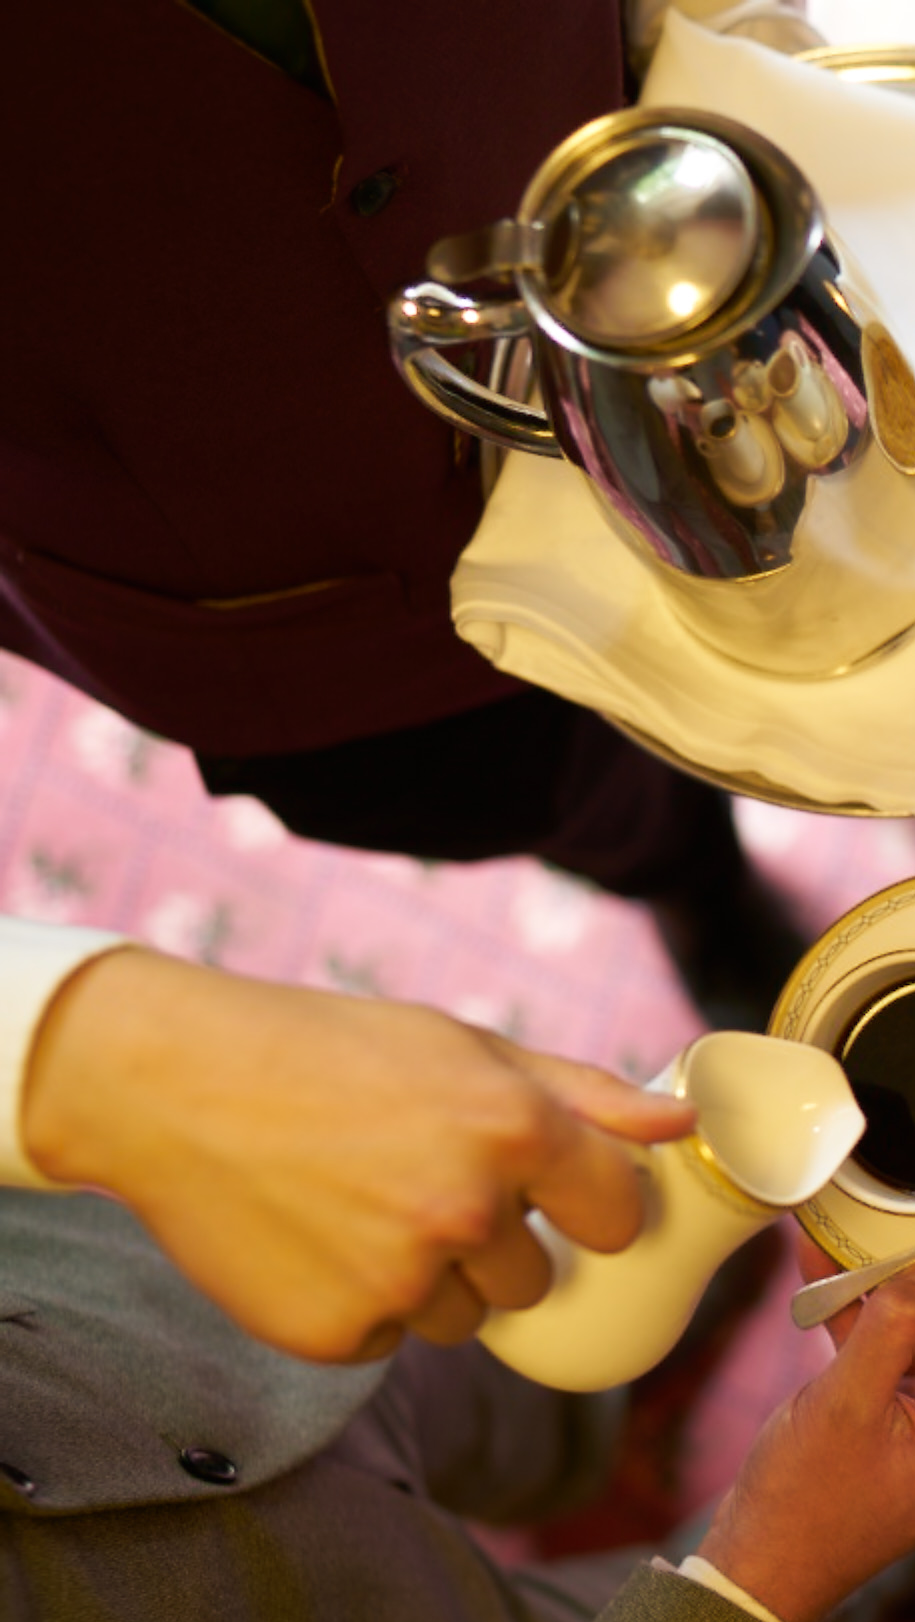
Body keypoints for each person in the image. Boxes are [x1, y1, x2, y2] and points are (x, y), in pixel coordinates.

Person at [0, 916, 915, 1622]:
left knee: (507, 1326)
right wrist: (769, 1587)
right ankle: (884, 1564)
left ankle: (607, 1396)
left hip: (144, 1308)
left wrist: (100, 1052)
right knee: (663, 1605)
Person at [0, 1, 829, 1031]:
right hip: (282, 608)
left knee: (851, 574)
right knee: (570, 797)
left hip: (649, 278)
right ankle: (696, 884)